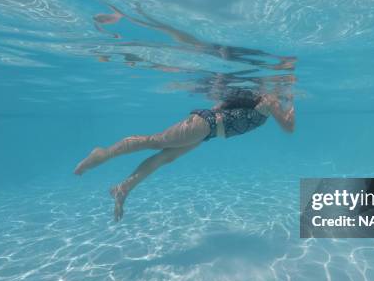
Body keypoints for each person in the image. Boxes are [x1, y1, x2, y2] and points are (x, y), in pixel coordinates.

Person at [74, 90, 295, 221]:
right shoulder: (272, 100)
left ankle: (123, 189)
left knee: (163, 157)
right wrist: (293, 106)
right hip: (204, 125)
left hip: (206, 131)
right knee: (155, 141)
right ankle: (103, 154)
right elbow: (288, 127)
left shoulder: (264, 99)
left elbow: (226, 107)